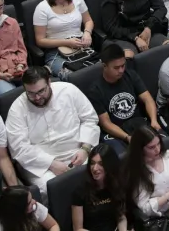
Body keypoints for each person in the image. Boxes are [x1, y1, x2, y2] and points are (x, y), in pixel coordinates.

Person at [6, 66, 103, 197]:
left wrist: (85, 148)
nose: (37, 97)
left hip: (79, 152)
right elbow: (19, 148)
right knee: (51, 190)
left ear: (49, 83)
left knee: (100, 174)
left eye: (41, 91)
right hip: (41, 165)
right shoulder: (17, 109)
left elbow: (89, 119)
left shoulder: (68, 90)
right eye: (31, 93)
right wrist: (51, 163)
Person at [86, 43, 158, 154]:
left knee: (160, 144)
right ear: (104, 66)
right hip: (117, 131)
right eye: (116, 67)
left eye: (123, 66)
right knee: (126, 157)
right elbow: (106, 124)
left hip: (138, 122)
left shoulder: (130, 75)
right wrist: (127, 137)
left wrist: (153, 120)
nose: (121, 70)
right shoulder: (95, 90)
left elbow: (148, 99)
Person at [33, 0, 95, 79]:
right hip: (56, 52)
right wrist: (67, 42)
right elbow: (40, 40)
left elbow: (88, 20)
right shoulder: (42, 8)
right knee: (76, 77)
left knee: (99, 69)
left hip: (80, 45)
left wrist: (87, 33)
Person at [69, 145, 129, 231]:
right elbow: (78, 229)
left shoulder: (116, 184)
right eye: (92, 163)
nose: (95, 168)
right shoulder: (80, 190)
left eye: (101, 164)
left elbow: (121, 217)